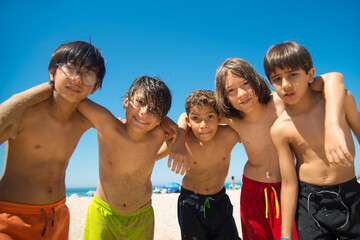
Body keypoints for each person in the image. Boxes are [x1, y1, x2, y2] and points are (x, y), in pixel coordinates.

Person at [213, 57, 348, 240]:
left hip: (287, 188)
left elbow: (333, 79)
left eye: (245, 83)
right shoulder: (232, 118)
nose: (241, 94)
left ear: (255, 79)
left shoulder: (279, 100)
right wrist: (180, 137)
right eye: (231, 90)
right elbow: (189, 115)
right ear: (224, 96)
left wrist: (333, 125)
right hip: (252, 191)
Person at [0, 41, 106, 239]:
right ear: (52, 72)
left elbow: (127, 126)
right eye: (70, 68)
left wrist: (168, 123)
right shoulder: (23, 112)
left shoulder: (83, 120)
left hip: (57, 217)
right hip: (12, 215)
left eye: (88, 74)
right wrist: (15, 101)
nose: (77, 79)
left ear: (95, 86)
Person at [265, 41, 360, 240]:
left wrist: (332, 126)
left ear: (310, 75)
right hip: (310, 202)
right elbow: (289, 184)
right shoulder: (280, 129)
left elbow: (335, 78)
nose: (286, 85)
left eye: (292, 75)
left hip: (351, 194)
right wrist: (285, 236)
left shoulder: (341, 101)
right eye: (277, 79)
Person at [79, 76, 183, 240]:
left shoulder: (158, 135)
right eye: (140, 102)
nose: (144, 112)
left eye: (154, 110)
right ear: (126, 100)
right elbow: (77, 100)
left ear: (160, 119)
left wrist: (167, 125)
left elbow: (183, 124)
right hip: (103, 212)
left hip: (141, 216)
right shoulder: (108, 125)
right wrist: (162, 119)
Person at [159, 89, 241, 239]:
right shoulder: (184, 140)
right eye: (196, 118)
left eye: (210, 117)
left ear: (219, 117)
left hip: (220, 200)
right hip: (190, 202)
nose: (204, 125)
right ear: (189, 122)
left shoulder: (230, 134)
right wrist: (179, 138)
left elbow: (246, 121)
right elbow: (153, 155)